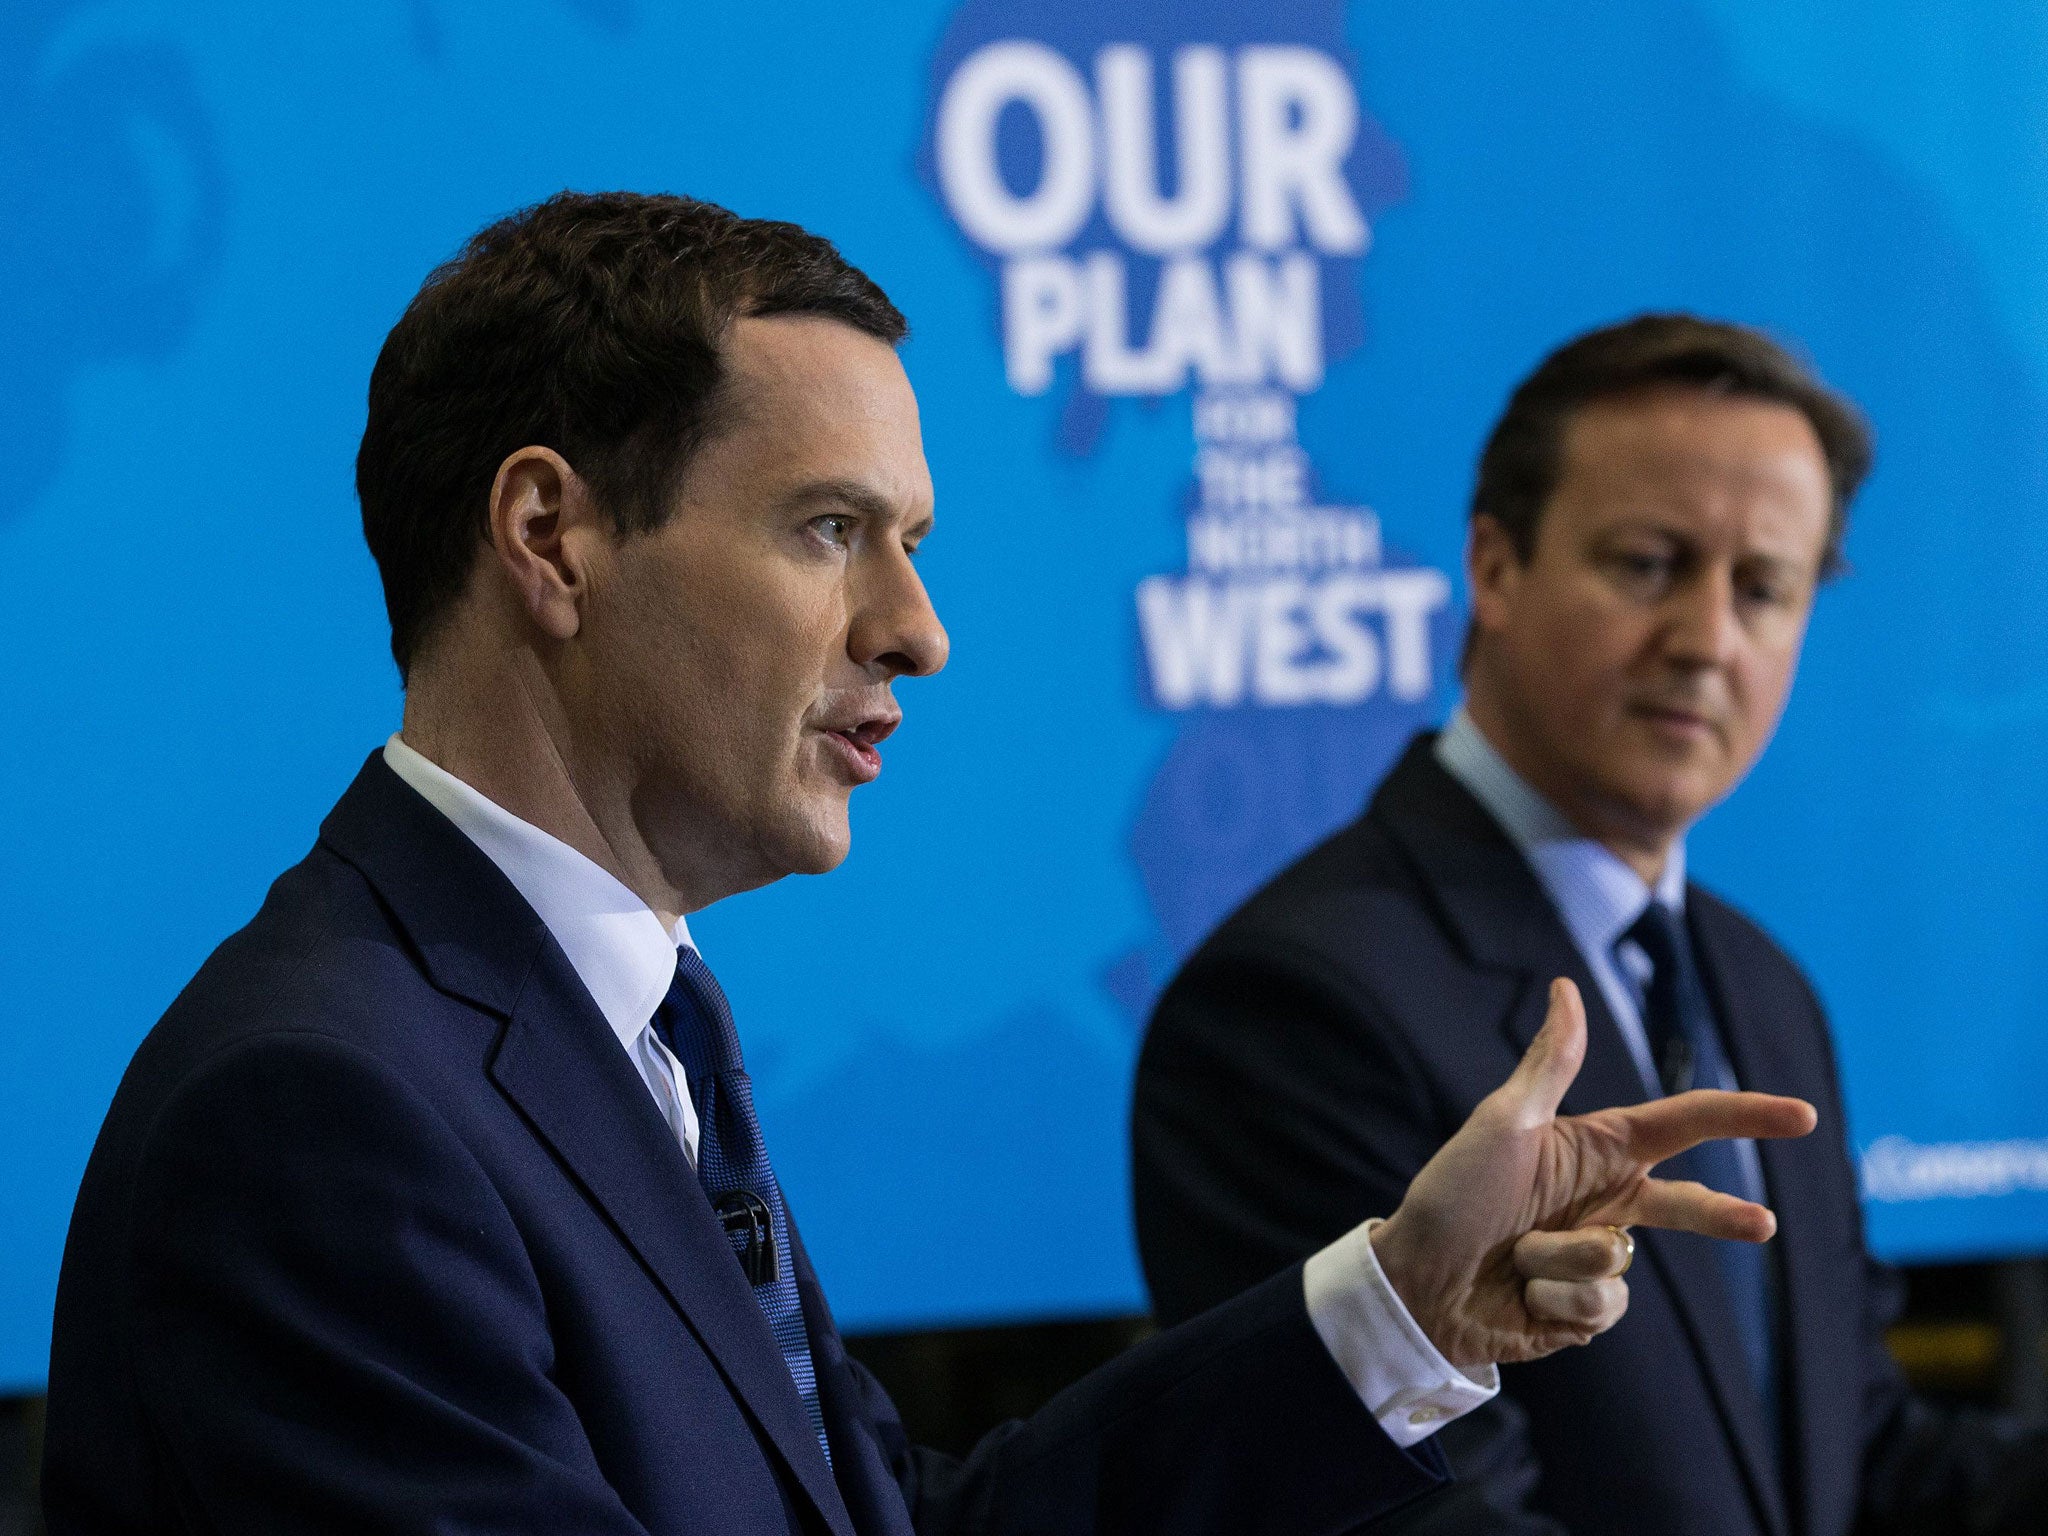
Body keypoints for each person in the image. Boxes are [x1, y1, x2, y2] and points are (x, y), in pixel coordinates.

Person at [41, 201, 1811, 1536]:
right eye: (829, 531)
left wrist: (1398, 1310)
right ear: (549, 537)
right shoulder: (320, 1106)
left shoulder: (634, 1031)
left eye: (912, 544)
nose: (919, 631)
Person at [1131, 315, 2048, 1536]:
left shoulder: (1761, 986)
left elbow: (1854, 1461)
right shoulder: (1295, 1003)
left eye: (1762, 588)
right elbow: (1420, 1520)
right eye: (1648, 563)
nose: (1706, 640)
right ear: (1494, 568)